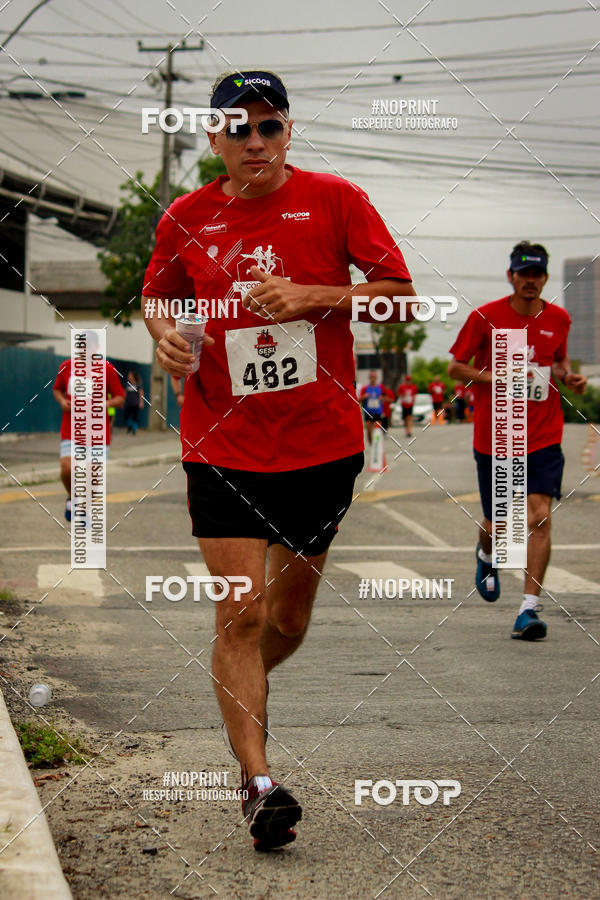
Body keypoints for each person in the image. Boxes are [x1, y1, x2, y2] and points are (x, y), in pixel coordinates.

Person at [141, 69, 416, 851]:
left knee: (286, 620)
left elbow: (400, 292)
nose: (253, 139)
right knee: (242, 613)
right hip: (220, 444)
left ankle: (240, 688)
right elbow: (158, 294)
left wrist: (314, 296)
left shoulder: (337, 199)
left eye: (269, 125)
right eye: (237, 127)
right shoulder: (187, 216)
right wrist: (165, 334)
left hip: (321, 445)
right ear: (214, 138)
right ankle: (258, 780)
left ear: (288, 132)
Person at [448, 241, 586, 640]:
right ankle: (487, 554)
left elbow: (556, 360)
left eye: (537, 274)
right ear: (511, 276)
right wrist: (498, 377)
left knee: (539, 515)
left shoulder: (559, 318)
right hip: (497, 436)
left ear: (544, 278)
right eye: (523, 274)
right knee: (499, 525)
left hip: (543, 433)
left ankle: (528, 609)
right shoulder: (485, 317)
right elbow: (456, 367)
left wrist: (567, 375)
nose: (531, 280)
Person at [52, 348, 124, 521]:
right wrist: (62, 401)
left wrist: (105, 404)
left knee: (93, 472)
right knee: (67, 468)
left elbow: (120, 398)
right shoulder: (67, 367)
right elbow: (57, 389)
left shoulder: (107, 369)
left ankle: (85, 508)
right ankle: (73, 497)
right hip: (72, 428)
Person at [359, 371, 385, 444]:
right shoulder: (365, 388)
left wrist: (382, 398)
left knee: (377, 429)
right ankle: (371, 442)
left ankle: (376, 443)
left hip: (378, 412)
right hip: (368, 412)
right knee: (369, 430)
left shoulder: (380, 388)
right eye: (371, 377)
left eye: (374, 377)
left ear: (376, 378)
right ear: (369, 378)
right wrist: (364, 397)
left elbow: (386, 398)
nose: (373, 379)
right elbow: (358, 400)